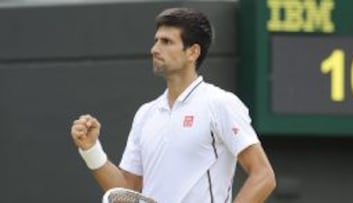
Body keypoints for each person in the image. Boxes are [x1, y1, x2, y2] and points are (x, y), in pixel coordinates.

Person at [71, 7, 276, 203]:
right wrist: (91, 150)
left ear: (193, 52)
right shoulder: (145, 114)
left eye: (166, 42)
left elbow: (263, 176)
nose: (154, 49)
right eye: (156, 41)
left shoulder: (220, 103)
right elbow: (126, 191)